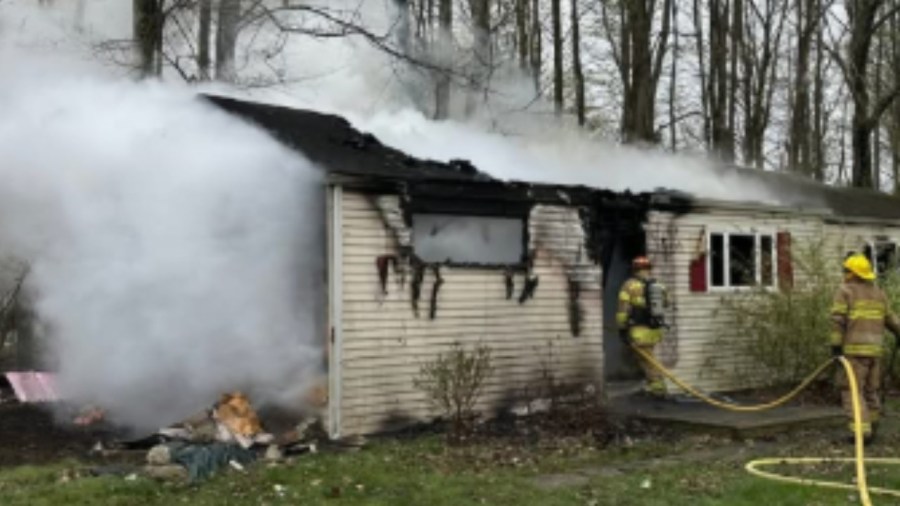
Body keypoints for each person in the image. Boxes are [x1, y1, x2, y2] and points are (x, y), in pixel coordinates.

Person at [830, 253, 900, 442]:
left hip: (854, 352)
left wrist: (835, 346)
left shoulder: (845, 291)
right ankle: (873, 425)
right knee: (871, 390)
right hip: (875, 351)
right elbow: (890, 317)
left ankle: (861, 433)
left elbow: (837, 320)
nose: (844, 273)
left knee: (851, 390)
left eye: (846, 270)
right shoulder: (878, 292)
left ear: (853, 273)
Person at [617, 256, 668, 397]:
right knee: (648, 356)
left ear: (634, 269)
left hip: (639, 330)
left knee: (646, 360)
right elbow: (666, 303)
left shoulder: (629, 285)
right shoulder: (658, 285)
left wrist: (622, 328)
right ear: (649, 269)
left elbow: (623, 309)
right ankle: (653, 385)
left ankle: (658, 387)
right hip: (655, 330)